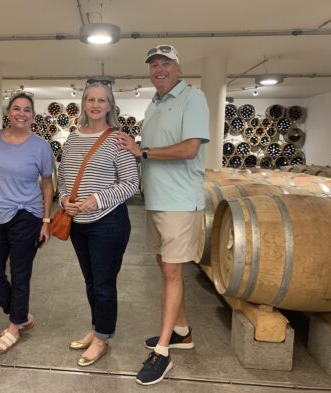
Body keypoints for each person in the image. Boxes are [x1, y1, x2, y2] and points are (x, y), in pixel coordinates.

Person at [115, 44, 210, 385]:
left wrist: (143, 150)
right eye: (154, 64)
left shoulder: (192, 98)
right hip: (156, 200)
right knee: (165, 268)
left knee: (171, 271)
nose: (159, 69)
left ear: (178, 68)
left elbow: (189, 149)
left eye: (166, 63)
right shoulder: (153, 105)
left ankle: (164, 352)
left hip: (180, 202)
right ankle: (182, 332)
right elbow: (147, 155)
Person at [58, 80, 139, 367]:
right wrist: (65, 198)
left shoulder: (117, 139)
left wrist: (96, 199)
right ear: (83, 103)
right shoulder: (73, 138)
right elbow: (63, 177)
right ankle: (96, 329)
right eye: (90, 99)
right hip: (78, 223)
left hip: (109, 223)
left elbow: (132, 184)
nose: (95, 105)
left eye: (101, 100)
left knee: (104, 284)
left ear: (110, 105)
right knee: (91, 281)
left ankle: (103, 337)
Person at [0, 92, 54, 355]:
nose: (21, 113)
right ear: (8, 111)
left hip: (27, 214)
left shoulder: (41, 147)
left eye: (27, 110)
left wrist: (46, 221)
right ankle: (20, 313)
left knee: (21, 273)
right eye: (16, 108)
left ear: (32, 116)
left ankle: (14, 327)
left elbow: (47, 184)